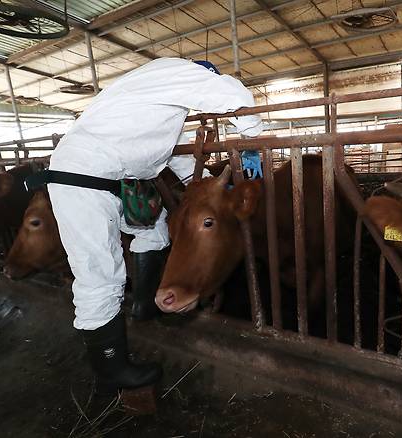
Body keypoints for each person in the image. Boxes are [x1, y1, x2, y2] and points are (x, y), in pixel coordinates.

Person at [45, 58, 263, 393]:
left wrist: (208, 187)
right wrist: (251, 139)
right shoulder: (177, 71)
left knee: (154, 229)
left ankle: (145, 303)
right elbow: (230, 94)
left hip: (112, 179)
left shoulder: (158, 101)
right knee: (99, 273)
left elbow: (172, 156)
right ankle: (111, 369)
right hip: (83, 180)